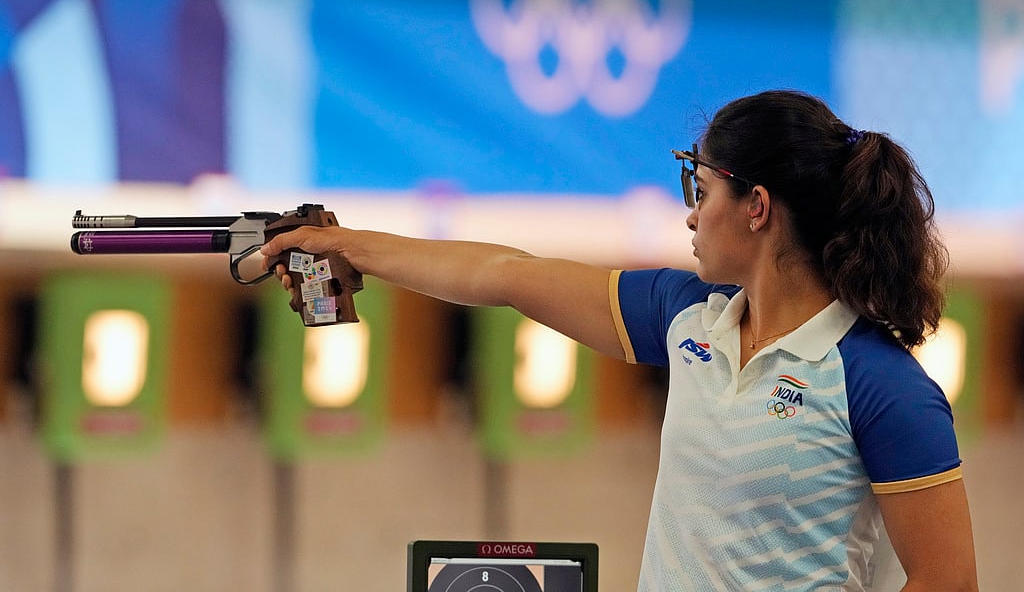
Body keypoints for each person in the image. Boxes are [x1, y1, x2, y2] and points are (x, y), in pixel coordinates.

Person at [260, 90, 978, 591]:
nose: (691, 216)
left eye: (701, 191)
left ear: (756, 207)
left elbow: (948, 580)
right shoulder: (685, 315)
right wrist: (346, 244)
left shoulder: (880, 384)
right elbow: (504, 273)